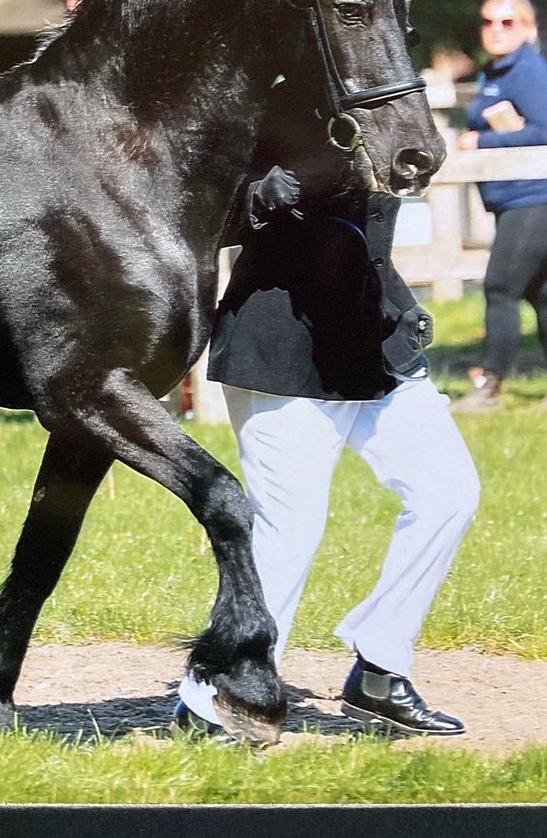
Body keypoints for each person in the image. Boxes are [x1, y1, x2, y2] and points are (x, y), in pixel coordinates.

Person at [173, 80, 479, 742]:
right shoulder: (264, 95)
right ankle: (212, 698)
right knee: (290, 526)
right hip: (282, 347)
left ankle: (380, 668)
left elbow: (369, 229)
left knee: (448, 491)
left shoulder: (383, 104)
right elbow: (187, 199)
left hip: (371, 339)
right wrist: (251, 196)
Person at [452, 0, 547, 413]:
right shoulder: (497, 71)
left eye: (507, 22)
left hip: (534, 198)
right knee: (540, 291)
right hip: (515, 199)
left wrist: (480, 141)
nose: (496, 30)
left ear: (527, 27)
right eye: (488, 21)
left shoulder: (527, 71)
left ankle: (488, 386)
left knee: (500, 287)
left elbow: (544, 128)